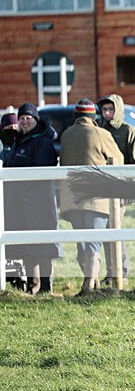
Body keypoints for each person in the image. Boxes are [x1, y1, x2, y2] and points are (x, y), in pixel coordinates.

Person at [59, 99, 123, 296]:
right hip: (96, 198)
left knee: (82, 241)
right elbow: (118, 161)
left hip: (72, 198)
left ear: (76, 116)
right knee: (94, 241)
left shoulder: (66, 135)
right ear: (93, 117)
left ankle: (92, 283)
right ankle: (89, 285)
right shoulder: (101, 134)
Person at [3, 103, 62, 295]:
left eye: (29, 118)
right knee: (27, 245)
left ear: (36, 120)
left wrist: (20, 187)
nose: (25, 121)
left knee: (43, 244)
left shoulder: (42, 142)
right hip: (21, 204)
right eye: (22, 118)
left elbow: (41, 172)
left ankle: (45, 286)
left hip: (39, 203)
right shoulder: (19, 141)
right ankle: (32, 284)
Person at [97, 94, 135, 286]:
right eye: (104, 110)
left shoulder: (129, 132)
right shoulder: (100, 131)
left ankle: (120, 272)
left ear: (118, 109)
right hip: (102, 189)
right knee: (106, 230)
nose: (107, 113)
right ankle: (111, 273)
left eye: (111, 109)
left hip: (122, 190)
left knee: (114, 229)